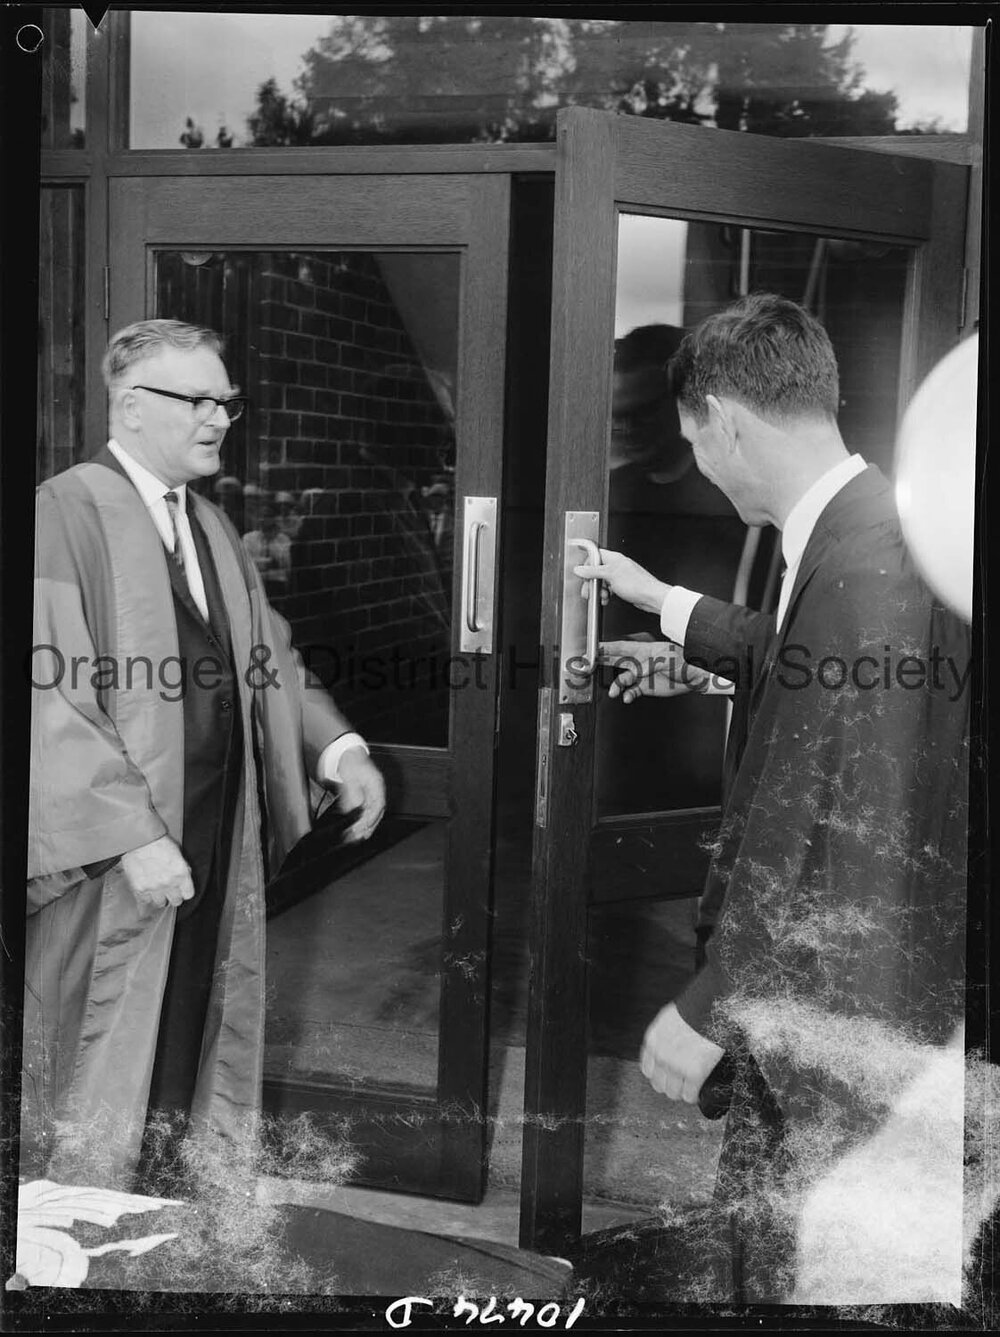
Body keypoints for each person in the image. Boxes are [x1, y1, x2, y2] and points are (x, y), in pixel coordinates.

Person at [577, 293, 969, 1300]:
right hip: (861, 996)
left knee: (797, 1265)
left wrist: (708, 1000)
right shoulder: (866, 528)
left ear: (727, 423)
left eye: (693, 440)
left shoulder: (862, 573)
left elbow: (815, 814)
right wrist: (659, 600)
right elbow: (783, 650)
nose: (699, 464)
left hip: (835, 1009)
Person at [23, 319, 386, 1190]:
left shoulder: (212, 527)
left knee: (185, 1026)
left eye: (226, 401)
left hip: (214, 831)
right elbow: (45, 694)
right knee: (94, 1039)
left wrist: (338, 747)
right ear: (133, 407)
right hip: (115, 858)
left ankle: (159, 1211)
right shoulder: (64, 509)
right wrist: (130, 835)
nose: (219, 417)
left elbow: (268, 656)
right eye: (197, 399)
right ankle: (70, 1239)